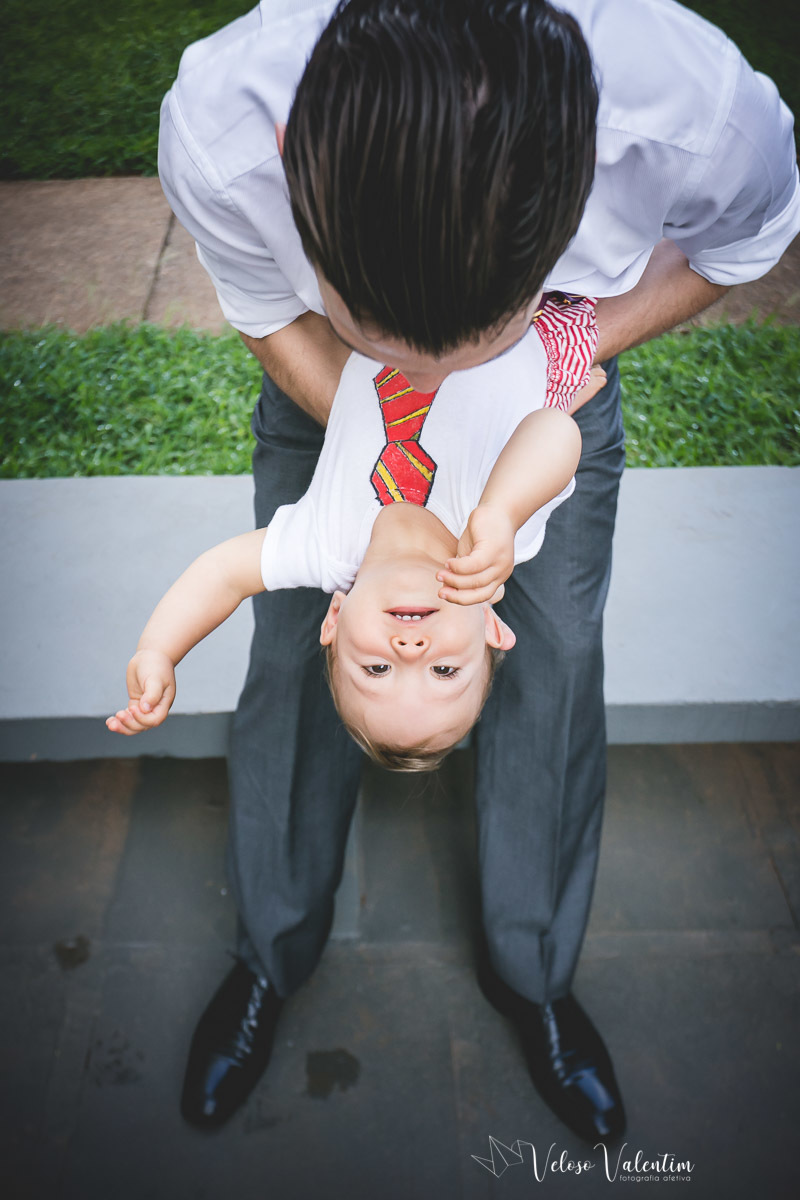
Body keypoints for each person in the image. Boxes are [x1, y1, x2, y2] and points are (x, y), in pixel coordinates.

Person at [158, 0, 800, 1141]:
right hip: (327, 389)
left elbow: (742, 240)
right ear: (292, 167)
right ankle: (272, 950)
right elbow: (265, 311)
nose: (413, 646)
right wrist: (376, 451)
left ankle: (536, 975)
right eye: (402, 337)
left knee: (551, 677)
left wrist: (557, 358)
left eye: (463, 342)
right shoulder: (225, 116)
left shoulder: (687, 103)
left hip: (548, 404)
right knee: (285, 673)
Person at [105, 297, 597, 768]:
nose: (410, 652)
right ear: (491, 628)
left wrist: (159, 650)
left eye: (376, 670)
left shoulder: (322, 545)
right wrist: (503, 509)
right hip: (529, 317)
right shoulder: (496, 539)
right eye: (444, 672)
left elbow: (223, 574)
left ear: (334, 623)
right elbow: (554, 430)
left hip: (397, 307)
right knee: (564, 377)